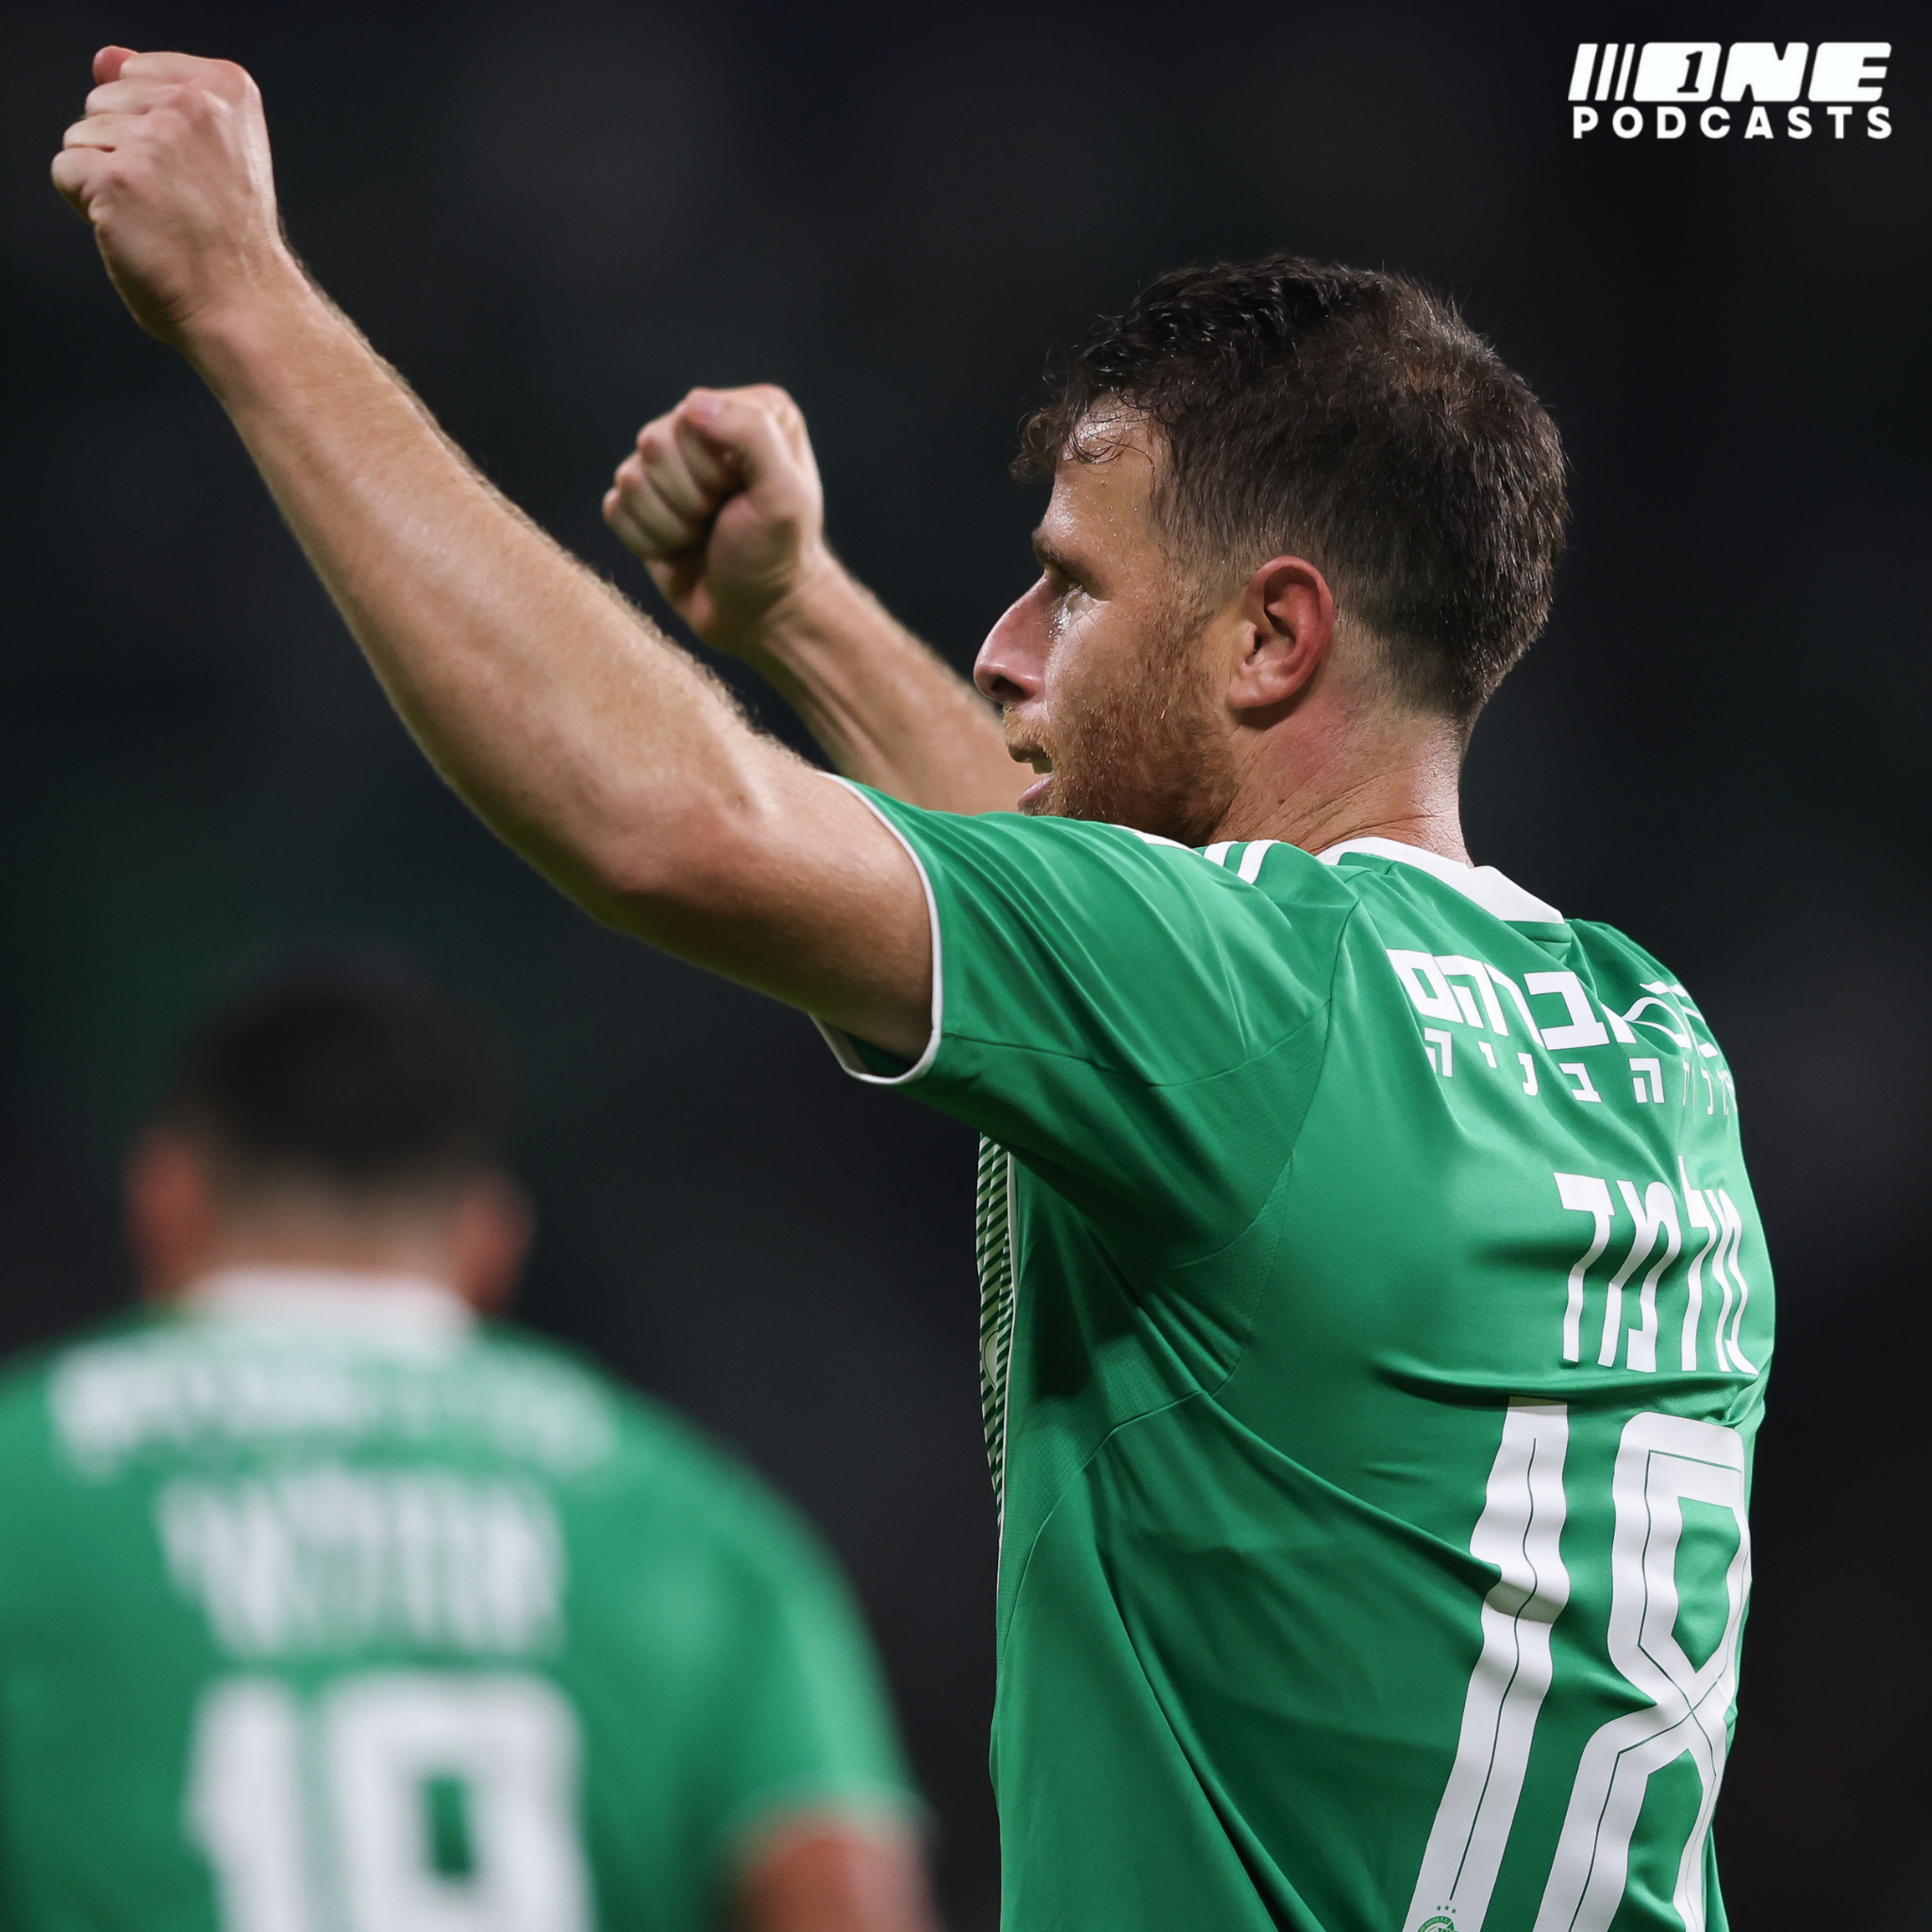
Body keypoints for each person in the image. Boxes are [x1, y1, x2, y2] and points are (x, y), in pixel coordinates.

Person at [51, 47, 1774, 1932]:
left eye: (1072, 590)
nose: (1006, 647)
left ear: (1272, 635)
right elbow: (1117, 950)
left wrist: (246, 299)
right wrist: (796, 615)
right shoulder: (1643, 1043)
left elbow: (672, 825)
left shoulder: (1254, 1001)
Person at [0, 963, 939, 1932]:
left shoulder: (24, 1483)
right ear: (490, 1238)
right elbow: (844, 1901)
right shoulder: (693, 1525)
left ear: (162, 1198)